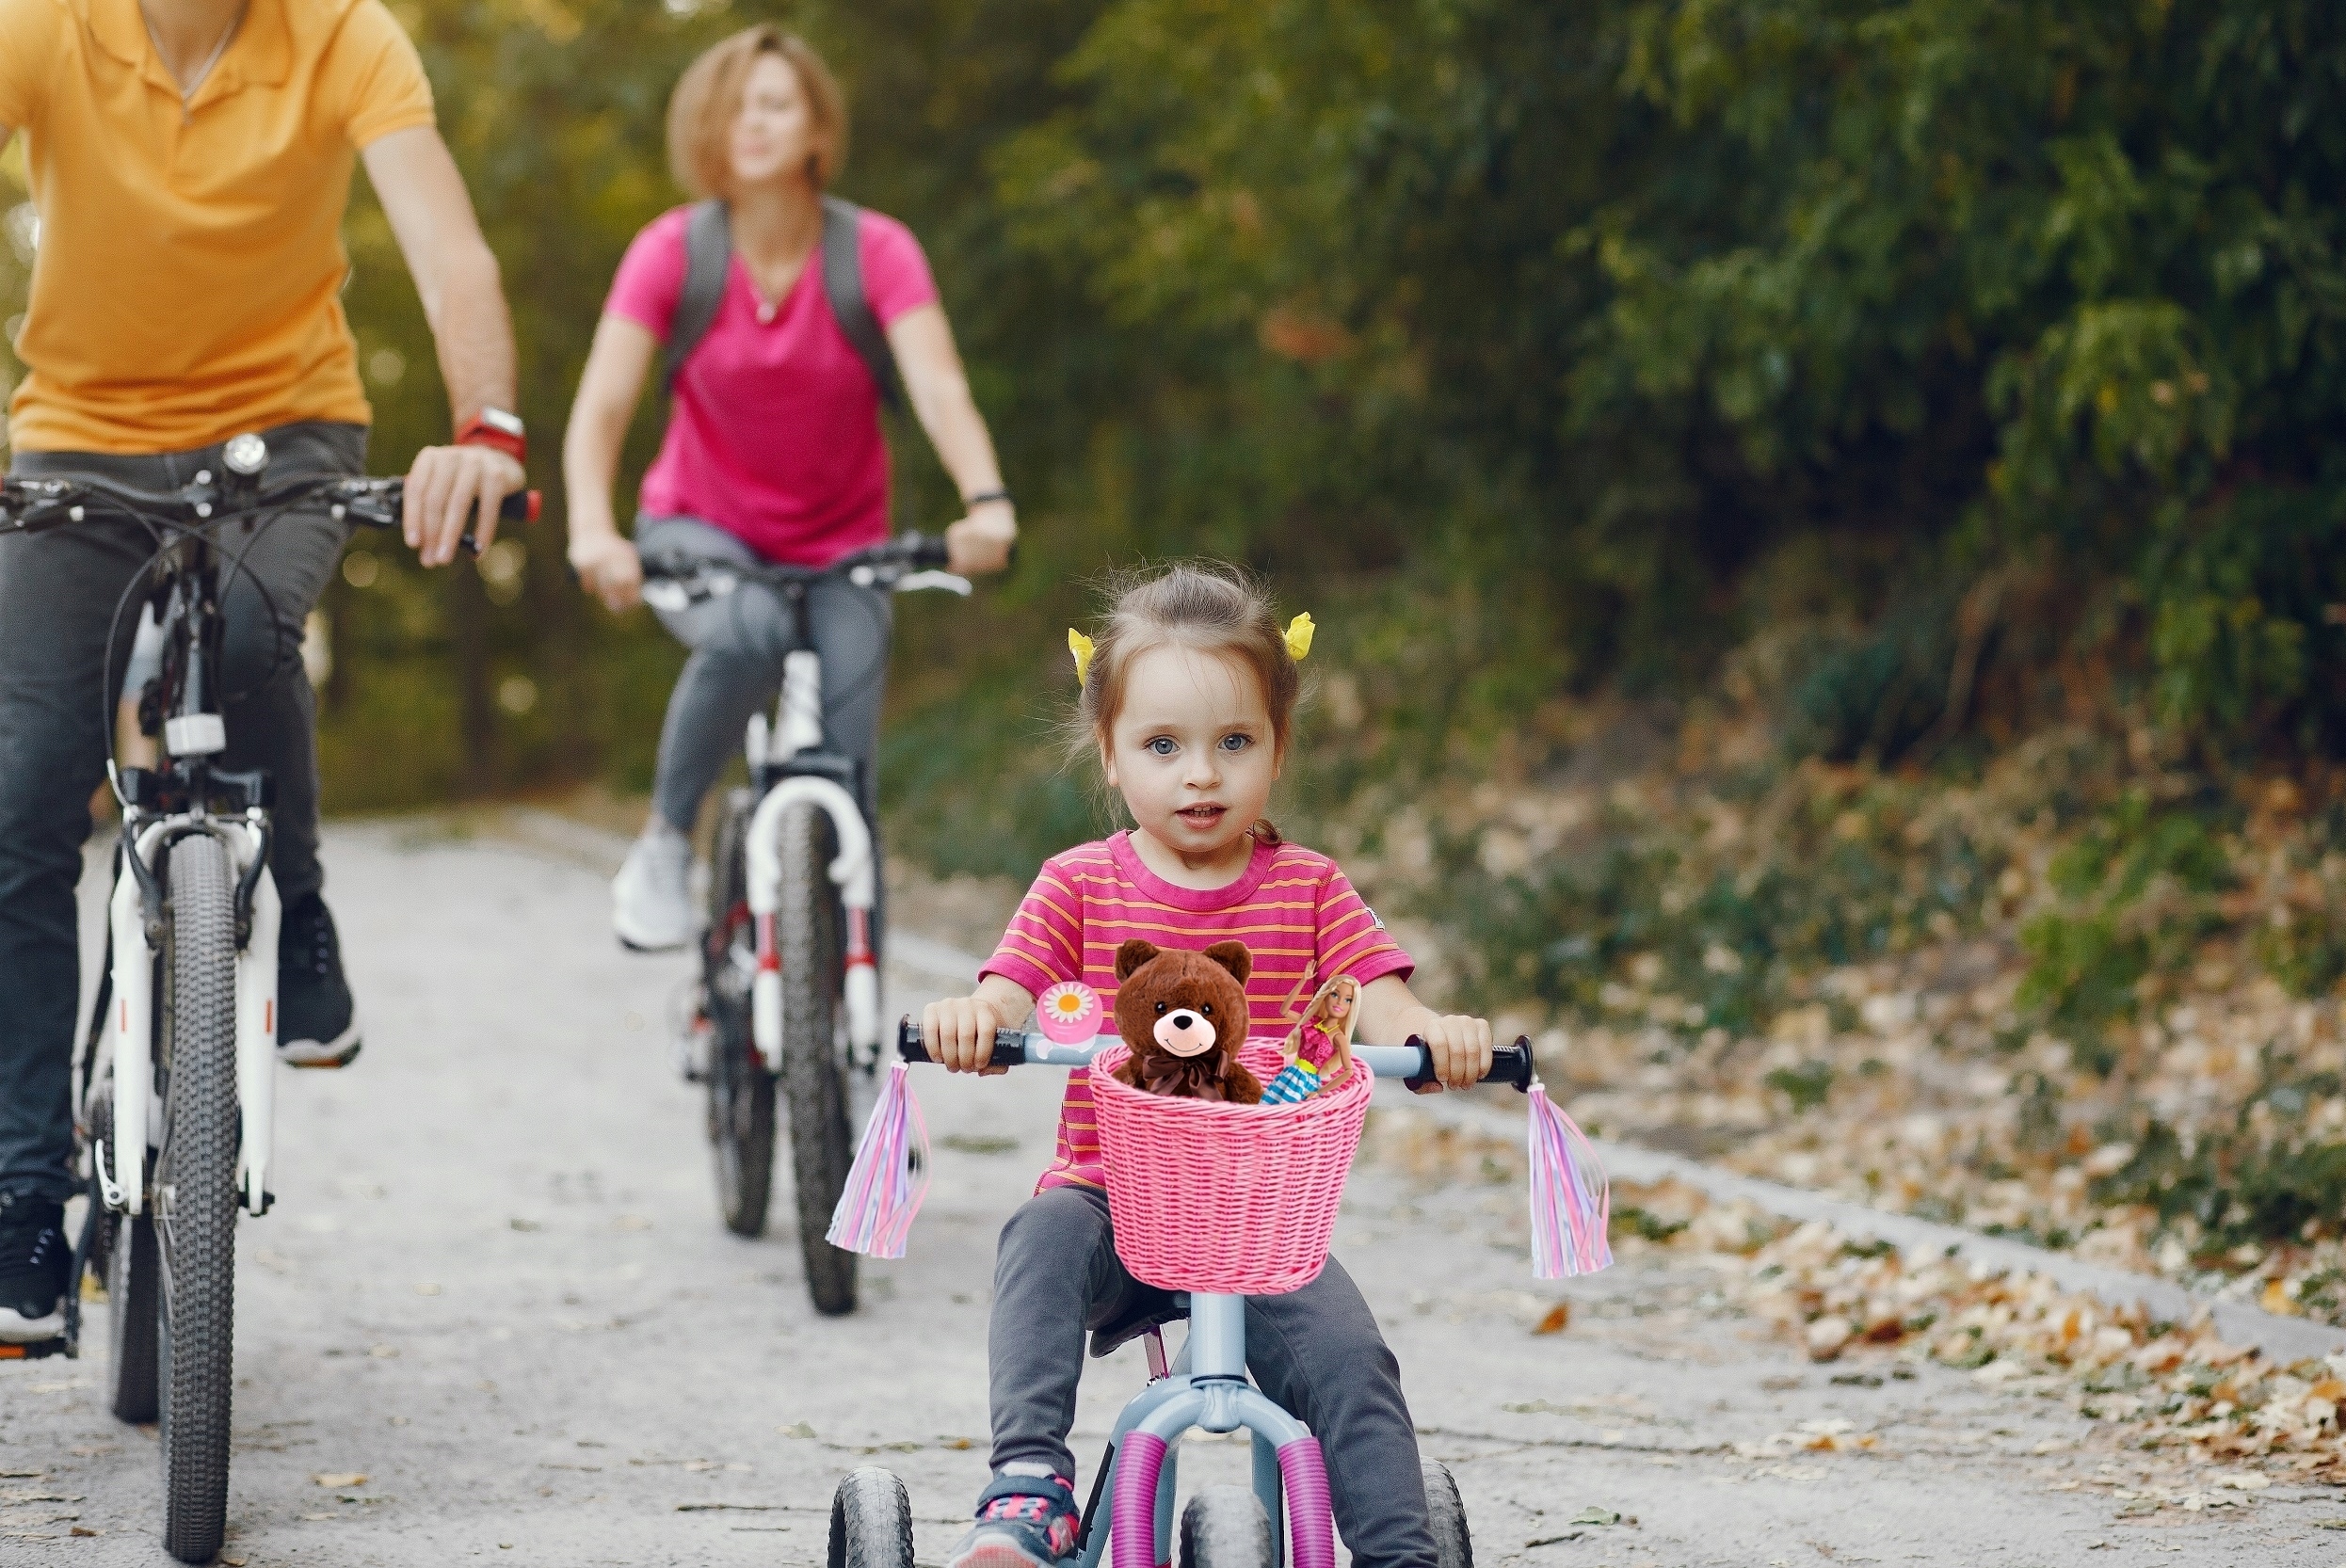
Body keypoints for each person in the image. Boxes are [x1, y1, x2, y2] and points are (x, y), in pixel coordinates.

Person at [0, 0, 527, 1344]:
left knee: (242, 634)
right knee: (24, 787)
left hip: (283, 437)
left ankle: (299, 901)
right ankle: (22, 1200)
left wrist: (486, 428)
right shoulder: (44, 29)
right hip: (79, 442)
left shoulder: (342, 33)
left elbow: (449, 252)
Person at [919, 564, 1496, 1568]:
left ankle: (1399, 1552)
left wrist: (1433, 1034)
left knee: (1352, 1361)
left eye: (1234, 742)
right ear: (1109, 754)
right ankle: (1027, 1486)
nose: (1201, 775)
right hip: (1111, 1203)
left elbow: (1378, 993)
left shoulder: (1309, 888)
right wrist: (978, 1019)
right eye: (1163, 745)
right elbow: (1009, 988)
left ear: (1278, 748)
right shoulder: (1078, 884)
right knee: (1039, 1239)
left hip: (1262, 1226)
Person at [563, 24, 1016, 952]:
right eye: (733, 107)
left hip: (847, 545)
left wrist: (986, 500)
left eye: (773, 103)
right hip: (699, 527)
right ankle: (665, 844)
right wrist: (592, 531)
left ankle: (845, 981)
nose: (752, 122)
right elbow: (601, 408)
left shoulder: (876, 251)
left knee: (848, 770)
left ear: (816, 128)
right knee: (749, 631)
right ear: (706, 129)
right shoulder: (672, 252)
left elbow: (939, 387)